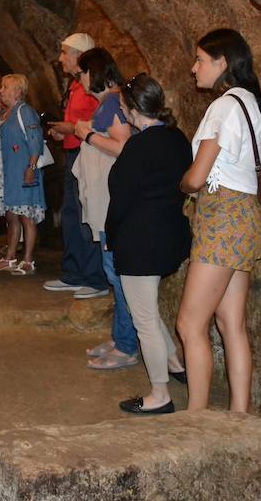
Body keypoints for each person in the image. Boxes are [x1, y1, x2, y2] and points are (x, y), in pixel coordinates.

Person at [177, 28, 261, 413]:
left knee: (189, 324)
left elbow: (197, 176)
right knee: (231, 323)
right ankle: (239, 416)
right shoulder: (251, 103)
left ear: (222, 63)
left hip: (223, 217)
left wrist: (182, 183)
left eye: (200, 59)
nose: (193, 68)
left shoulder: (222, 106)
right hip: (247, 215)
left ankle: (196, 419)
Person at [105, 74, 192, 414]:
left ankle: (160, 395)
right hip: (169, 235)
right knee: (149, 309)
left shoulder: (138, 147)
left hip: (139, 241)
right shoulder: (177, 139)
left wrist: (112, 236)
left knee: (143, 319)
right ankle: (174, 363)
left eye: (124, 106)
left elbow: (121, 200)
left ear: (132, 109)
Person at [69, 48, 137, 370]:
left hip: (113, 201)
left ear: (93, 72)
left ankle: (127, 345)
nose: (78, 78)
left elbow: (124, 147)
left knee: (116, 271)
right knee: (113, 270)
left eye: (81, 72)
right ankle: (120, 336)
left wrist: (89, 134)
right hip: (108, 199)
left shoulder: (112, 101)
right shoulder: (109, 102)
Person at [45, 33, 109, 299]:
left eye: (64, 52)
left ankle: (95, 278)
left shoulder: (92, 85)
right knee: (72, 215)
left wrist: (70, 128)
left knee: (88, 217)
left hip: (90, 156)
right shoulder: (74, 85)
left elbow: (100, 123)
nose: (60, 58)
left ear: (79, 55)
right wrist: (65, 132)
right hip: (74, 152)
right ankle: (73, 273)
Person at [0, 74, 45, 275]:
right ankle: (10, 256)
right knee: (12, 215)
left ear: (17, 91)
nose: (0, 90)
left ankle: (28, 260)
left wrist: (31, 167)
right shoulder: (7, 113)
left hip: (22, 171)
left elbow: (35, 140)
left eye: (5, 87)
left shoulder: (25, 112)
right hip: (8, 174)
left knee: (26, 216)